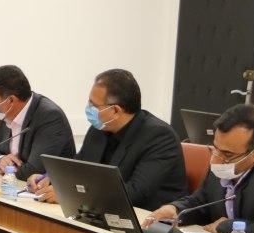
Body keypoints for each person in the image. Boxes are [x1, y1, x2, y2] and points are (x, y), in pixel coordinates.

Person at [145, 104, 254, 233]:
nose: (216, 160)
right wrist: (175, 210)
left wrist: (225, 226)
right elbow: (201, 202)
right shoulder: (221, 161)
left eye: (227, 154)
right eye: (215, 149)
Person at [30, 69, 185, 210]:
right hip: (101, 211)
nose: (89, 109)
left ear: (116, 110)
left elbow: (134, 193)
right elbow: (77, 166)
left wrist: (69, 195)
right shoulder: (99, 128)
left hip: (148, 217)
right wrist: (50, 177)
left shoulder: (159, 136)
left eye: (94, 105)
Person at [0, 65, 75, 180]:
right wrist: (0, 160)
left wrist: (5, 171)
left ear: (11, 100)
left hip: (46, 189)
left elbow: (34, 171)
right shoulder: (5, 113)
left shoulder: (49, 117)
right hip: (14, 185)